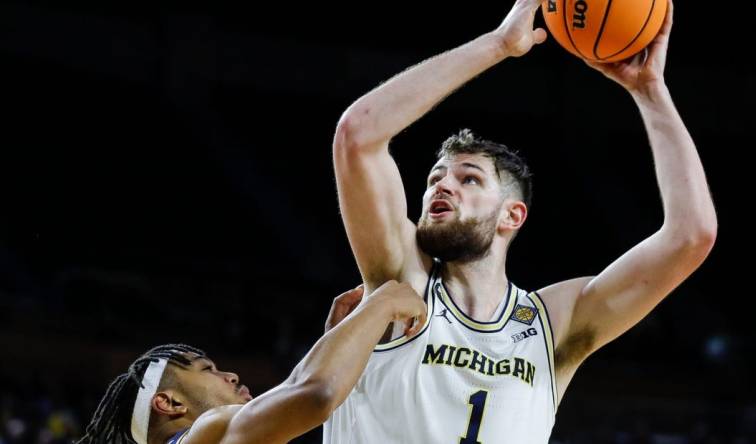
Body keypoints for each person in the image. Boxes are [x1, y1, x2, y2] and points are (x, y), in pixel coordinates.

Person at [326, 0, 717, 442]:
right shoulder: (400, 283)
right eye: (435, 178)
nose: (441, 186)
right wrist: (499, 44)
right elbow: (357, 135)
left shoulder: (552, 325)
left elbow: (690, 235)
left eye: (468, 179)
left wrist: (650, 92)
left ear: (513, 215)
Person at [75, 281, 426, 444]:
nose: (230, 374)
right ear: (169, 402)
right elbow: (313, 394)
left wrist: (340, 341)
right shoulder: (206, 434)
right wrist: (383, 302)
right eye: (206, 369)